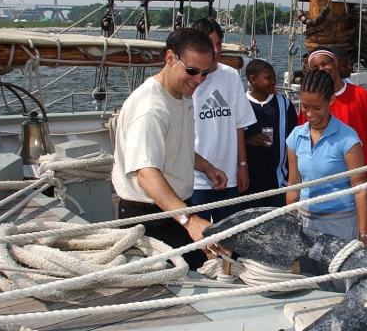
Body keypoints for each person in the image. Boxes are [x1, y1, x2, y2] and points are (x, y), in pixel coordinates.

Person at [112, 27, 227, 271]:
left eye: (205, 74)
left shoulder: (181, 94)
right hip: (149, 218)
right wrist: (190, 221)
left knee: (206, 266)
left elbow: (173, 147)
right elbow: (146, 174)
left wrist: (206, 167)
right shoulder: (151, 109)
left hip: (175, 209)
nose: (198, 80)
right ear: (170, 58)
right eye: (193, 71)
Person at [304, 47, 367, 252]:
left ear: (337, 64)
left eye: (325, 63)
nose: (322, 69)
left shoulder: (360, 95)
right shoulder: (311, 104)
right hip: (328, 186)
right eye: (316, 67)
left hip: (359, 181)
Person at [286, 70, 367, 246]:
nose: (309, 114)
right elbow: (293, 184)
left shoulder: (348, 138)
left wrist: (364, 235)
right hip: (306, 221)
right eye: (305, 107)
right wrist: (291, 223)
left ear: (331, 101)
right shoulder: (295, 137)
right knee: (309, 274)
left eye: (316, 108)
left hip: (341, 225)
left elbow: (360, 189)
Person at [190, 18, 257, 222]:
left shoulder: (230, 76)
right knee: (198, 244)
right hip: (195, 180)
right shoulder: (188, 80)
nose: (216, 50)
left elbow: (239, 125)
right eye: (211, 44)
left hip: (228, 176)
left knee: (229, 238)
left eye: (219, 43)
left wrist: (242, 165)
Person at [243, 59, 296, 209]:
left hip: (279, 181)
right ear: (253, 80)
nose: (274, 81)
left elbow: (294, 139)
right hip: (248, 183)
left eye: (274, 77)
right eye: (268, 78)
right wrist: (249, 141)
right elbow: (231, 138)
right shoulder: (241, 104)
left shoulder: (284, 104)